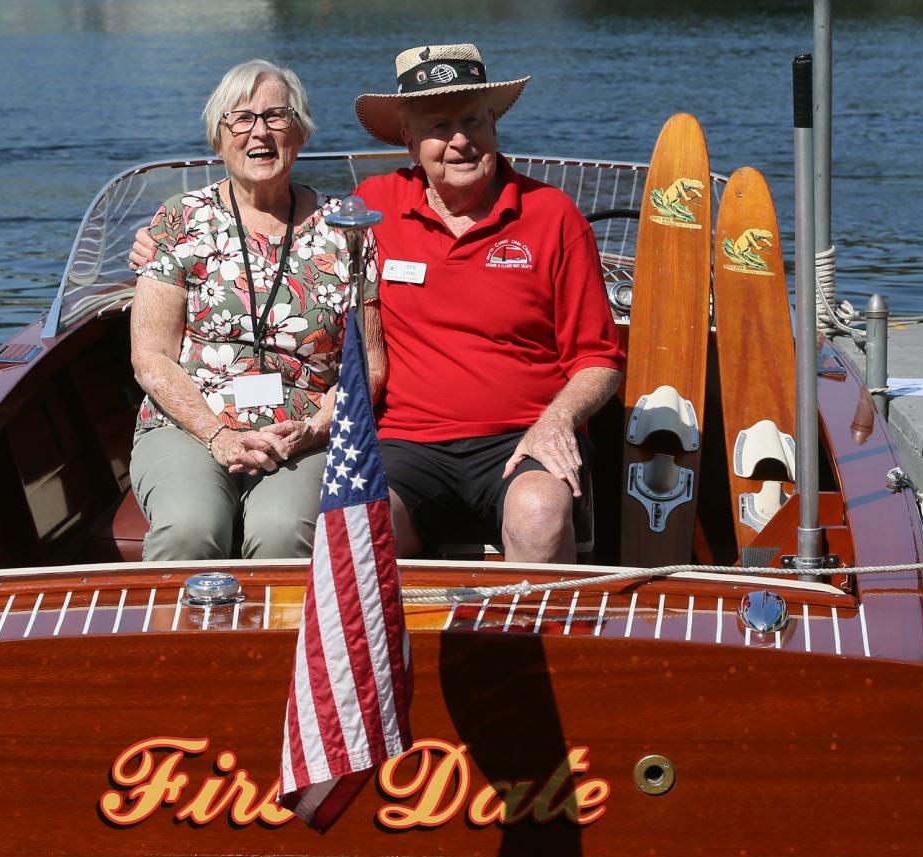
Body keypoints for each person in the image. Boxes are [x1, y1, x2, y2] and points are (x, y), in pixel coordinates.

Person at [132, 45, 622, 564]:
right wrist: (154, 248)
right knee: (354, 525)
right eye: (439, 126)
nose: (459, 140)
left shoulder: (547, 215)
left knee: (539, 513)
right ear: (409, 138)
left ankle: (536, 641)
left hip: (518, 435)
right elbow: (155, 345)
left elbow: (600, 358)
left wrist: (557, 419)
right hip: (405, 443)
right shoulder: (375, 208)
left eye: (472, 121)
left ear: (494, 121)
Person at [129, 59, 376, 561]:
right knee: (188, 527)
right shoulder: (180, 220)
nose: (258, 132)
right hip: (190, 424)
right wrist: (218, 435)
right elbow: (150, 357)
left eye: (276, 116)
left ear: (300, 131)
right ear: (219, 138)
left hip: (300, 431)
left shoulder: (348, 231)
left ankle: (274, 643)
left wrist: (315, 428)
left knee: (283, 532)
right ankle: (174, 643)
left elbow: (369, 363)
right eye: (240, 118)